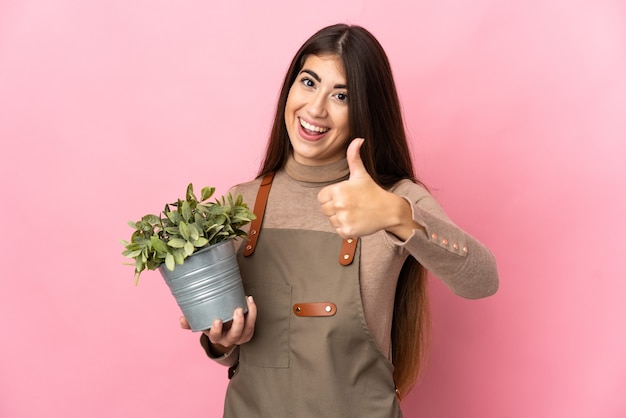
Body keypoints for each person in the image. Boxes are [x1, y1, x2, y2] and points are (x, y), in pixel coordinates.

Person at [180, 23, 499, 417]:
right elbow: (246, 354)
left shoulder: (392, 199)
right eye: (309, 82)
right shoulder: (239, 204)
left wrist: (398, 217)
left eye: (342, 95)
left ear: (366, 111)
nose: (315, 109)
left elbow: (483, 279)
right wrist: (222, 341)